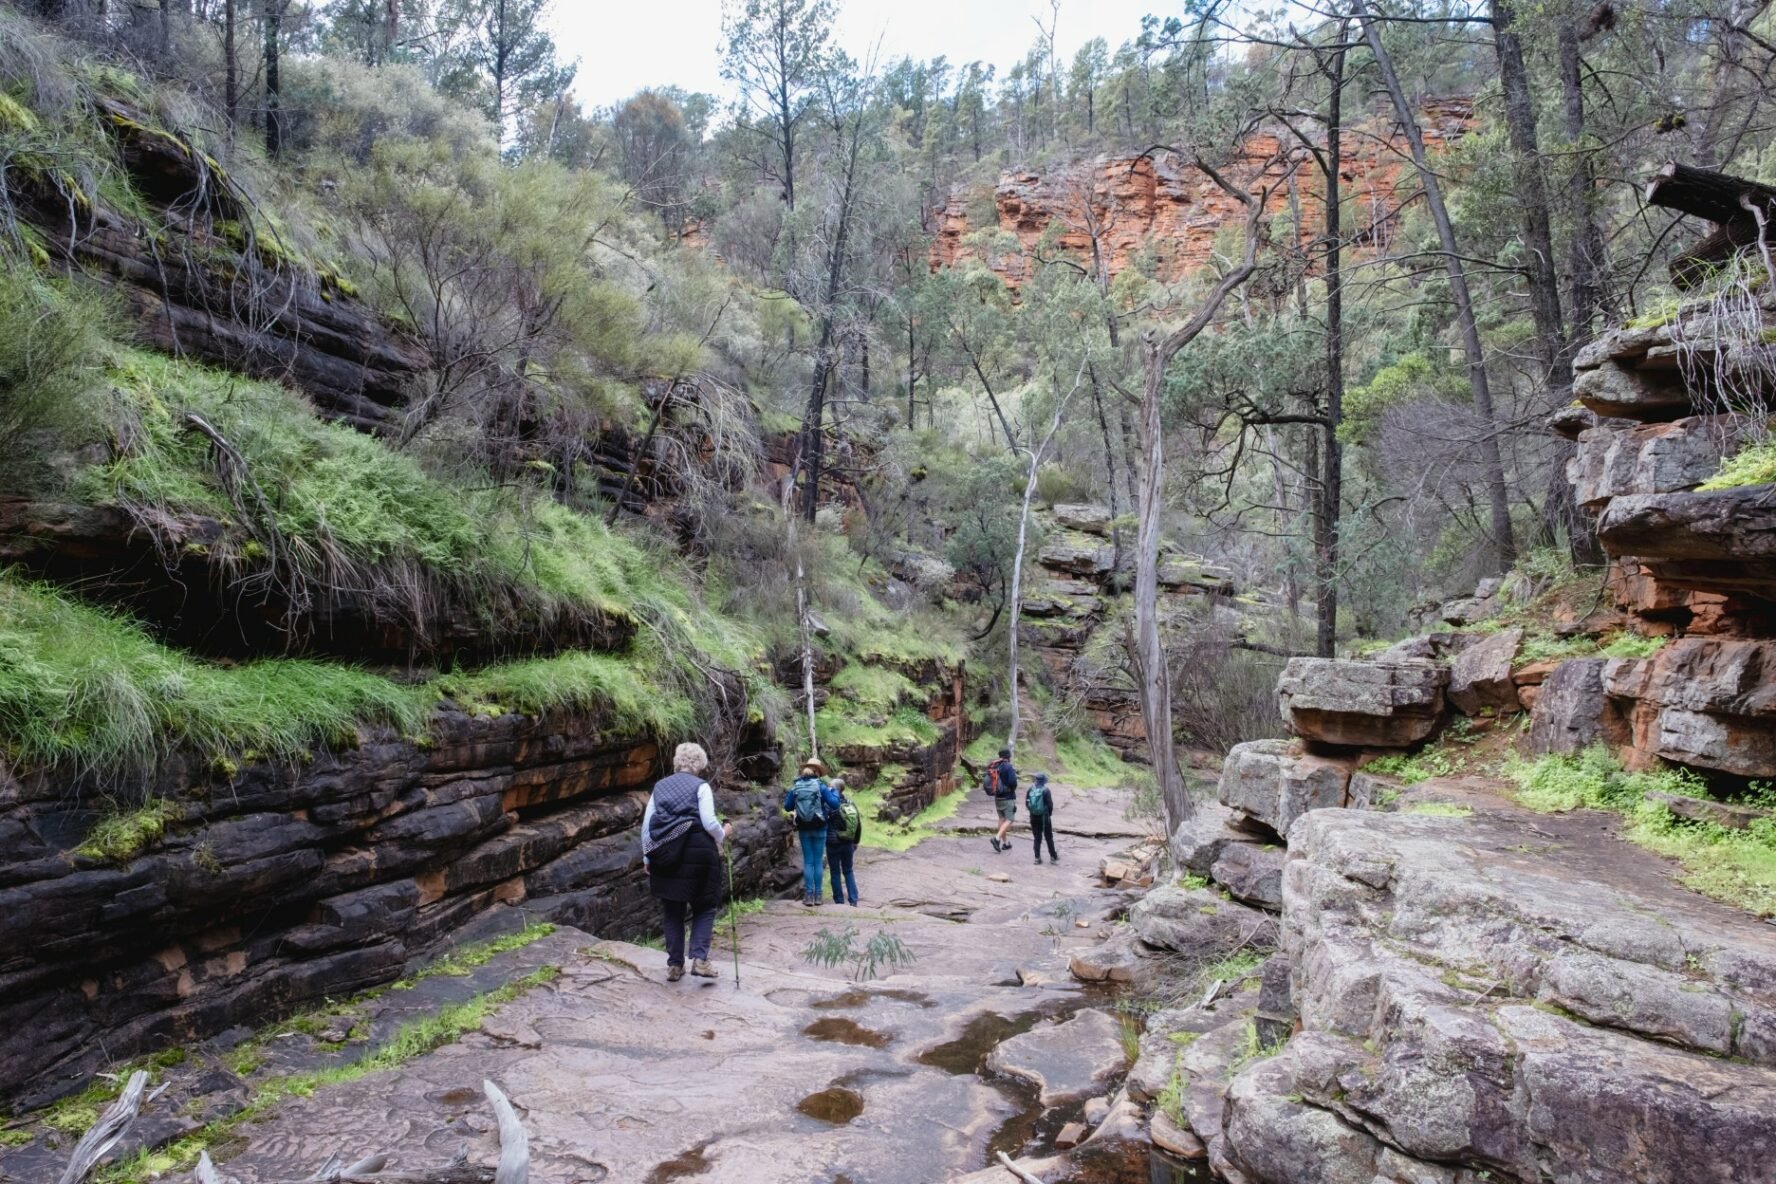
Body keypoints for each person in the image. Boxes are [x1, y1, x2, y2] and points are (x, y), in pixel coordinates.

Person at [641, 742, 732, 982]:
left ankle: (674, 966)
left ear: (677, 761)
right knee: (704, 906)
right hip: (699, 852)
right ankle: (700, 961)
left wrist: (647, 856)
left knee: (672, 909)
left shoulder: (659, 786)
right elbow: (709, 822)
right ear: (699, 764)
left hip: (666, 853)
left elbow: (647, 825)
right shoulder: (701, 786)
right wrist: (723, 834)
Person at [783, 758, 841, 907]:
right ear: (817, 772)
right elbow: (834, 804)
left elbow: (787, 806)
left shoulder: (796, 787)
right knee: (817, 862)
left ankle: (809, 896)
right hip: (820, 827)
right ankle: (818, 896)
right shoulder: (821, 787)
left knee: (808, 862)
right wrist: (833, 790)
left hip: (803, 828)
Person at [826, 777, 863, 906]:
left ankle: (839, 901)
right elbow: (858, 824)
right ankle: (853, 900)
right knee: (848, 870)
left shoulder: (828, 803)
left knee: (835, 871)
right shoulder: (850, 803)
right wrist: (856, 841)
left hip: (832, 843)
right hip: (848, 843)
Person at [985, 747, 1018, 853]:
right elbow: (1013, 782)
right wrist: (1012, 788)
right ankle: (996, 839)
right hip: (1007, 797)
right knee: (1010, 819)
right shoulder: (1007, 766)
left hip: (997, 796)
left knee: (1002, 819)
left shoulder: (996, 765)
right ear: (1008, 756)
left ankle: (1005, 843)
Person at [1026, 772, 1058, 865]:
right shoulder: (1046, 790)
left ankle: (1037, 858)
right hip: (1044, 817)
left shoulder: (1030, 789)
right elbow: (1050, 805)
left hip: (1033, 817)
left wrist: (1032, 812)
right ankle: (1053, 857)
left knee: (1037, 838)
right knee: (1048, 837)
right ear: (1044, 781)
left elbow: (1027, 803)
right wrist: (1049, 814)